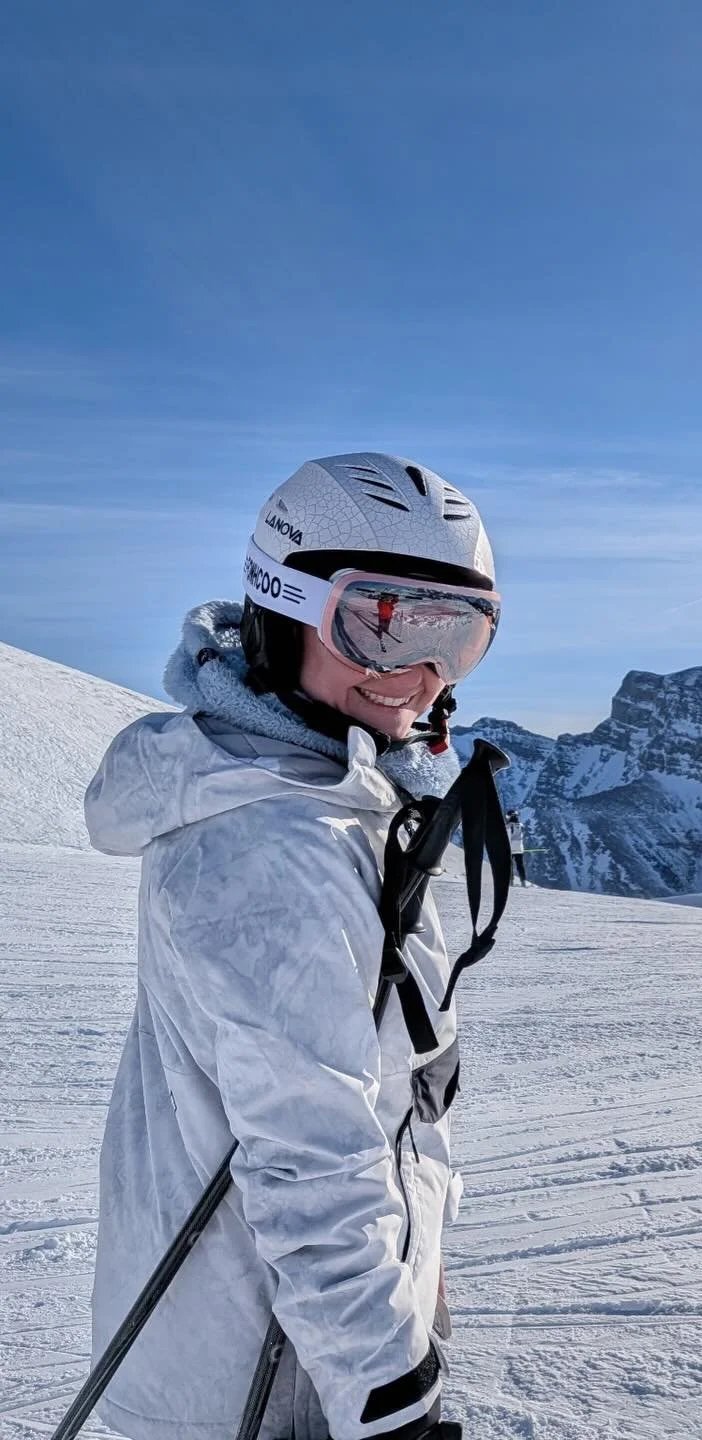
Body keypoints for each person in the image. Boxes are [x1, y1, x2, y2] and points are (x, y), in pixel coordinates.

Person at [84, 454, 504, 1440]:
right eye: (384, 623)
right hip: (262, 1396)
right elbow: (316, 1179)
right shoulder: (277, 849)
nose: (421, 680)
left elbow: (384, 1096)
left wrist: (419, 1252)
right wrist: (395, 1405)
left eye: (458, 636)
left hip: (256, 1358)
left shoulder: (303, 792)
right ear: (285, 608)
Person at [506, 809, 527, 885]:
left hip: (510, 848)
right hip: (519, 848)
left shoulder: (508, 826)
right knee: (520, 865)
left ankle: (510, 881)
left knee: (509, 865)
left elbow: (508, 838)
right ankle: (523, 881)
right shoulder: (521, 825)